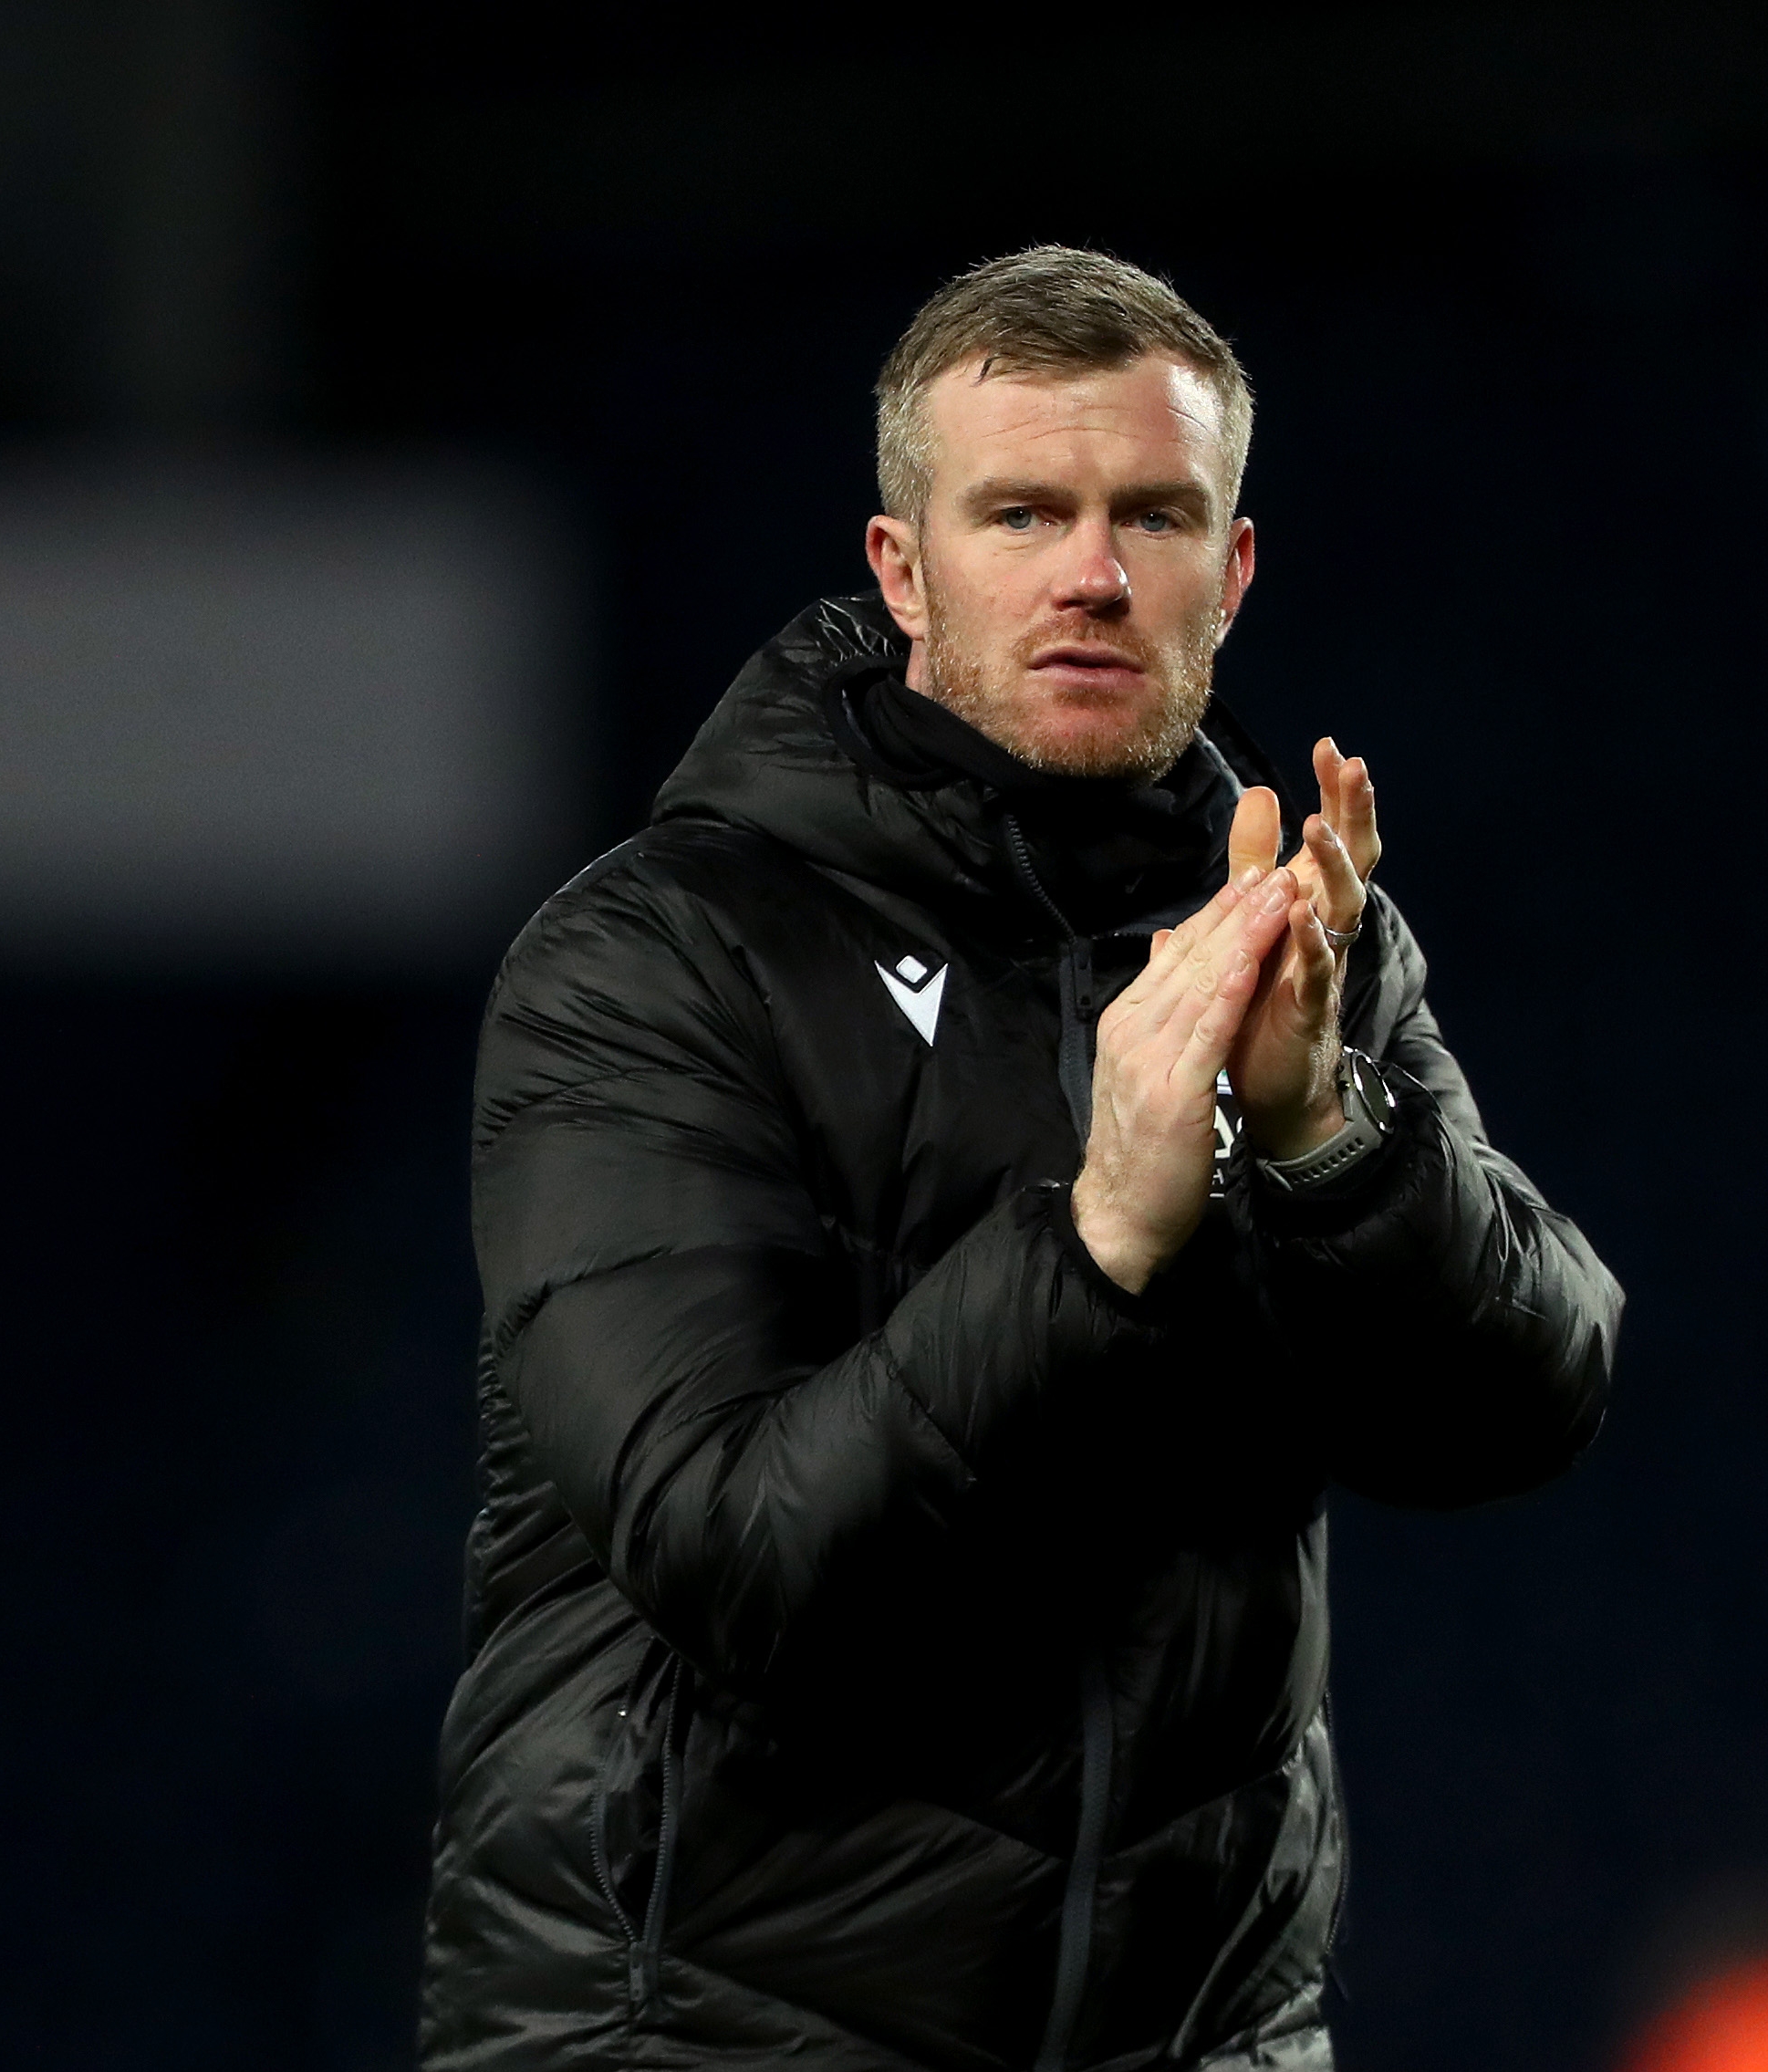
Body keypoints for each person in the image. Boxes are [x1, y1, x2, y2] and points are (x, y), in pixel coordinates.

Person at [417, 245, 1623, 2072]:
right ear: (904, 568)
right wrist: (1094, 1236)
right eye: (1023, 511)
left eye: (1153, 514)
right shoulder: (659, 958)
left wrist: (1323, 1136)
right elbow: (739, 1549)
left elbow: (1519, 1406)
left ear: (1231, 570)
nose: (1092, 571)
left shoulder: (1297, 927)